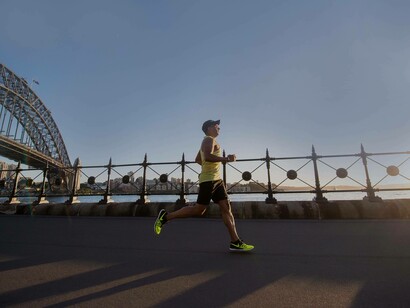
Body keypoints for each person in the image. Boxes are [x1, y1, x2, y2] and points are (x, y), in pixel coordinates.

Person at [154, 119, 254, 252]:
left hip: (217, 180)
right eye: (216, 125)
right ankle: (165, 217)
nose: (219, 128)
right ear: (209, 128)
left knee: (226, 208)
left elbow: (198, 159)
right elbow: (207, 157)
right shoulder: (208, 140)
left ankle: (235, 242)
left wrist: (208, 169)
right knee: (199, 210)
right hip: (209, 181)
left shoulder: (209, 141)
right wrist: (226, 159)